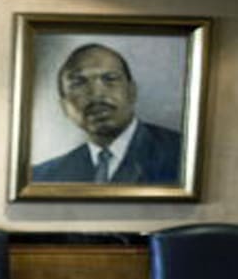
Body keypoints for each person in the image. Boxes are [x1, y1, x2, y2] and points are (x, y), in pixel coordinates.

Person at [31, 43, 181, 184]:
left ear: (132, 91)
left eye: (110, 79)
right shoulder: (43, 177)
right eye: (78, 83)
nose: (96, 94)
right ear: (64, 107)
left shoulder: (184, 154)